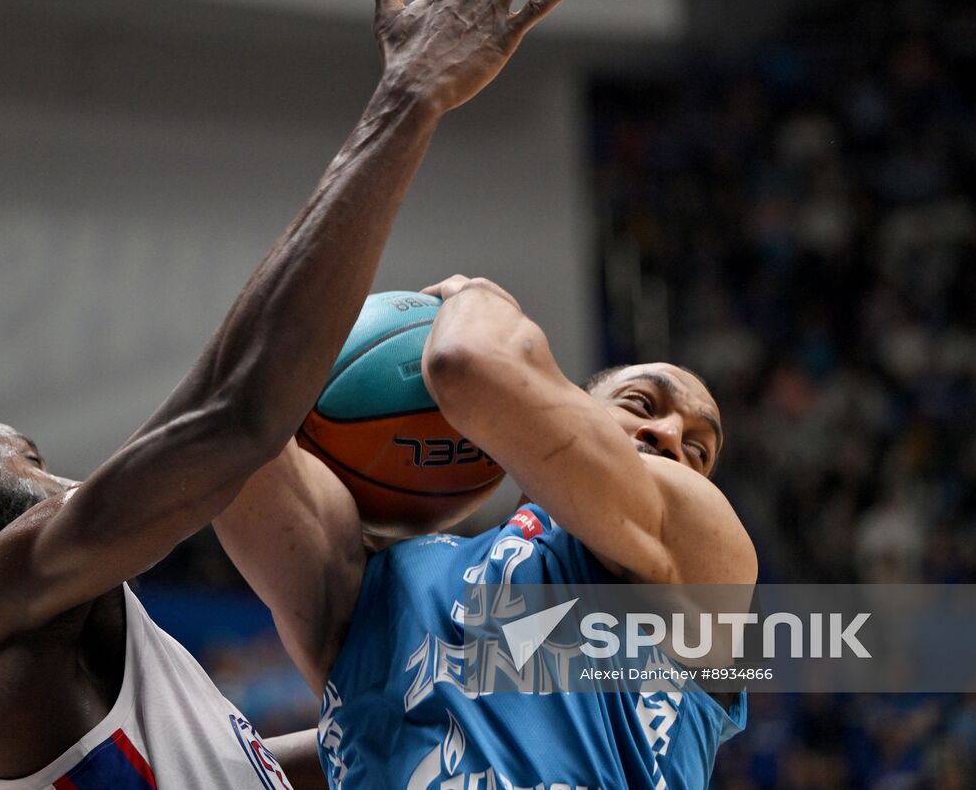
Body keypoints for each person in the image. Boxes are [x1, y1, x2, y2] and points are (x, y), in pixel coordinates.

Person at [0, 0, 581, 789]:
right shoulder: (4, 606)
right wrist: (411, 97)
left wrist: (441, 701)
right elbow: (239, 415)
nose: (61, 474)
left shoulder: (61, 672)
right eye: (25, 457)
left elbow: (257, 772)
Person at [216, 272, 756, 788]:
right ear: (568, 408)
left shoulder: (705, 551)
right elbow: (231, 428)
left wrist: (475, 296)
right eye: (641, 402)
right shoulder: (389, 581)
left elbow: (465, 362)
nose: (667, 434)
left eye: (698, 449)